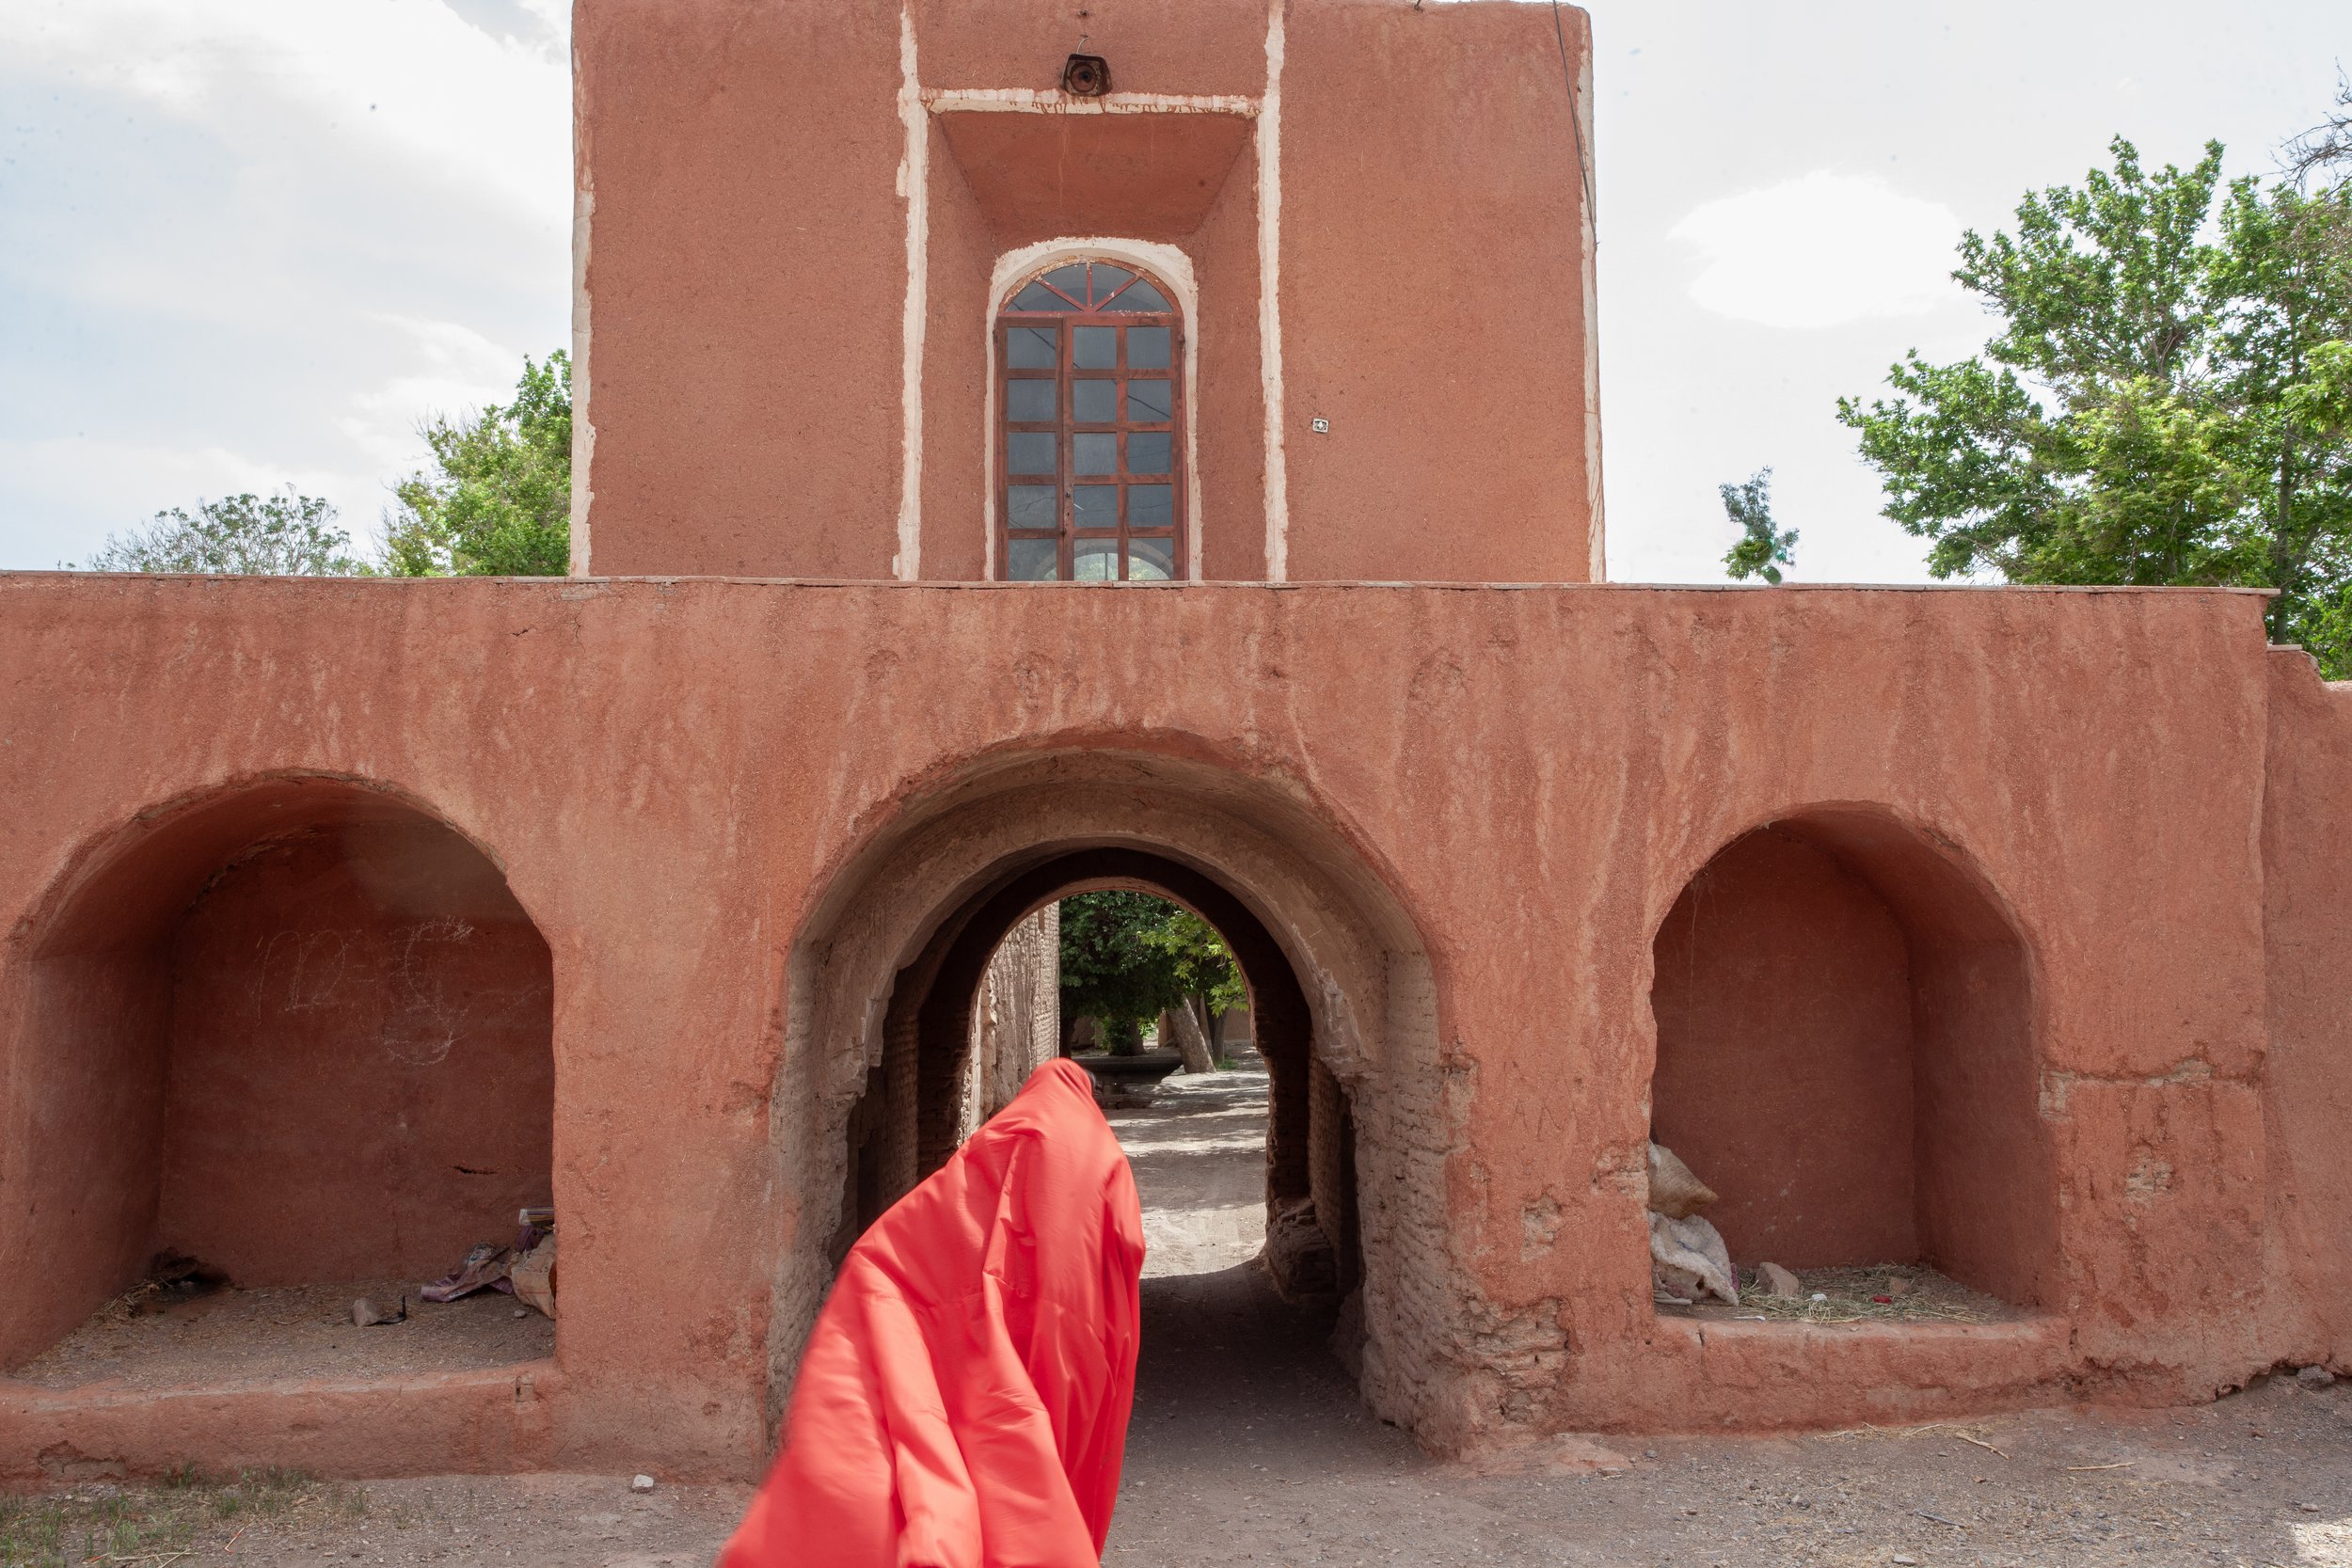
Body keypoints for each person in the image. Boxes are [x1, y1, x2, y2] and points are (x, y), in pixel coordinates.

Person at [720, 1058, 1145, 1568]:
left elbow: (949, 1203)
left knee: (992, 1444)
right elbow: (1128, 1249)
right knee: (1050, 1460)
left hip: (1008, 1322)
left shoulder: (1010, 1130)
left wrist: (883, 1267)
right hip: (1077, 1329)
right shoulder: (1107, 1156)